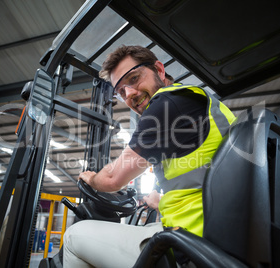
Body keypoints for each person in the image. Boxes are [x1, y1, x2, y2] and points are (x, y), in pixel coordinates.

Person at [63, 45, 236, 267]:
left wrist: (91, 179)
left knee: (73, 236)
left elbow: (112, 179)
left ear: (159, 70)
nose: (130, 94)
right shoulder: (199, 103)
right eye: (121, 92)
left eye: (134, 79)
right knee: (142, 229)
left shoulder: (168, 104)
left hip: (195, 245)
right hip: (216, 233)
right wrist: (159, 202)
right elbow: (204, 185)